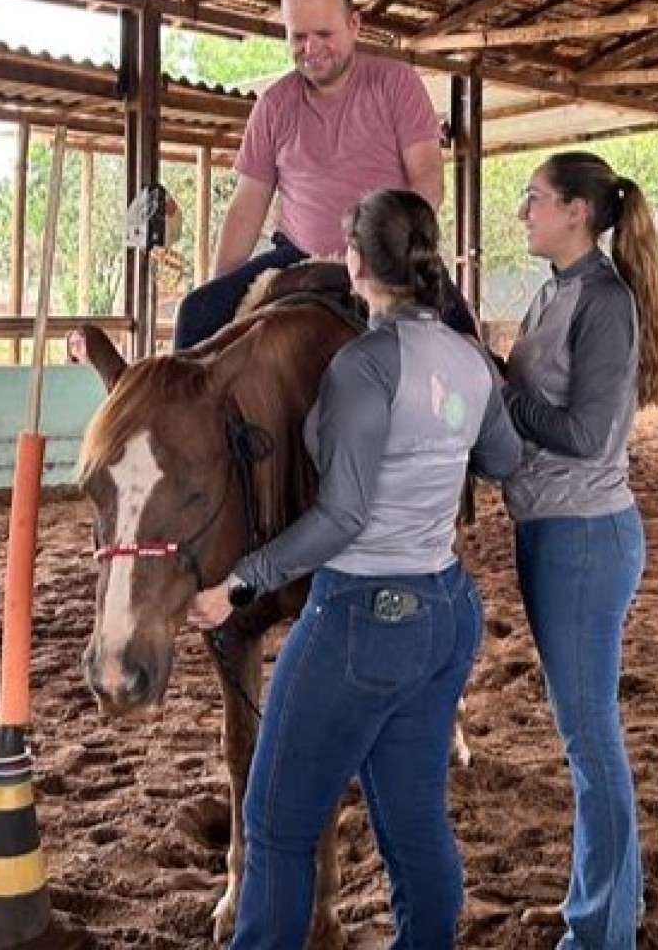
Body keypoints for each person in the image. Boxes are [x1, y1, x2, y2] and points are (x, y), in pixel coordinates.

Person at [189, 188, 520, 950]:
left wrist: (238, 582)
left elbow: (340, 518)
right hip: (446, 610)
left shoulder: (361, 368)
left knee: (272, 826)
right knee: (414, 824)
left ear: (354, 265)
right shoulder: (466, 359)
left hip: (362, 612)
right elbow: (503, 460)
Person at [501, 151, 658, 950]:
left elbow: (586, 434)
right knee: (586, 731)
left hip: (582, 534)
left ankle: (602, 931)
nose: (523, 212)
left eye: (534, 199)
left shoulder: (602, 302)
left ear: (577, 211)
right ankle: (609, 904)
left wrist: (502, 390)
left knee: (589, 737)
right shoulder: (556, 290)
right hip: (552, 529)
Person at [172, 0, 477, 348]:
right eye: (298, 37)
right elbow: (246, 206)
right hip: (297, 254)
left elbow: (428, 183)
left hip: (385, 254)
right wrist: (222, 292)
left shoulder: (396, 83)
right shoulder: (274, 104)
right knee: (195, 313)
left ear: (354, 25)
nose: (311, 49)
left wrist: (391, 253)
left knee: (467, 342)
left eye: (323, 34)